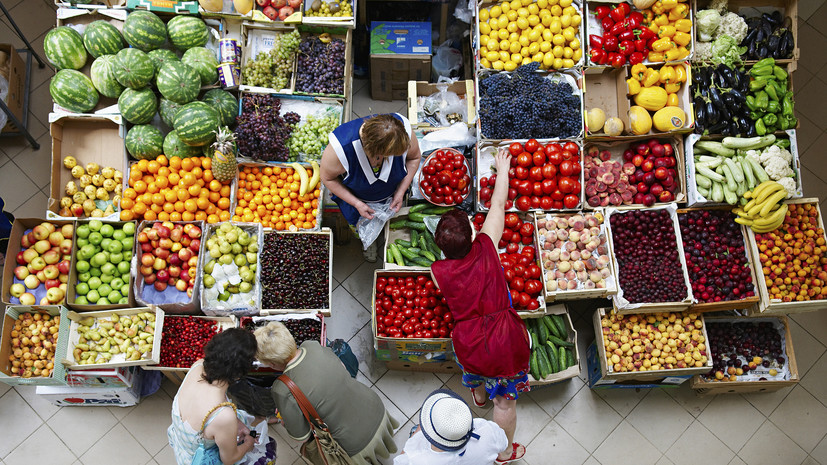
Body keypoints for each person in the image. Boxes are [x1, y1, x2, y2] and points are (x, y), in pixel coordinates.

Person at [429, 149, 530, 464]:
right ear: (473, 233)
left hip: (470, 341)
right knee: (505, 406)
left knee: (475, 372)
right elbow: (498, 204)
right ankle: (503, 451)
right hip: (505, 340)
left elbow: (444, 286)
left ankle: (478, 394)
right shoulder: (487, 245)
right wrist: (503, 169)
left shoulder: (438, 271)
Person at [254, 321, 399, 464]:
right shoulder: (312, 345)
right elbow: (342, 368)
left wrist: (286, 420)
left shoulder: (282, 388)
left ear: (271, 364)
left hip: (354, 443)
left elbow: (301, 437)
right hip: (375, 407)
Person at [320, 113, 421, 261]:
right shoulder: (340, 149)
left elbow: (414, 157)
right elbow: (327, 178)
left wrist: (400, 192)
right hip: (357, 202)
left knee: (390, 222)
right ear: (373, 152)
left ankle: (382, 233)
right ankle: (367, 241)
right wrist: (357, 204)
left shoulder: (403, 132)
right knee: (358, 227)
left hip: (392, 195)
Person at [168, 328, 276, 465]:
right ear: (238, 374)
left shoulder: (198, 366)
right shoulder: (224, 415)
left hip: (182, 443)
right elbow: (229, 459)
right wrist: (248, 445)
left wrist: (237, 423)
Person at [394, 389, 508, 465]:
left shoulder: (416, 459)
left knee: (414, 429)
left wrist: (418, 431)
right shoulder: (486, 429)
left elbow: (399, 461)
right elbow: (503, 444)